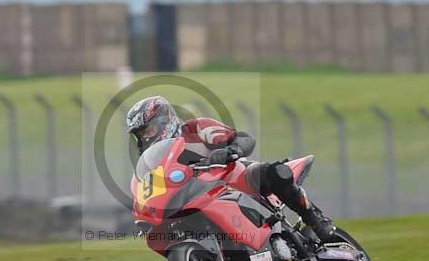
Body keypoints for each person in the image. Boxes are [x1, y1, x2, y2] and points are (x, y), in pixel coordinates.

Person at [125, 95, 335, 241]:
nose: (145, 137)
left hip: (236, 180)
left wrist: (229, 151)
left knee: (277, 173)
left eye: (148, 129)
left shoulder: (196, 128)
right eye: (140, 134)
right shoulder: (153, 164)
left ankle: (315, 218)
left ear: (165, 120)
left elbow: (243, 139)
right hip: (197, 202)